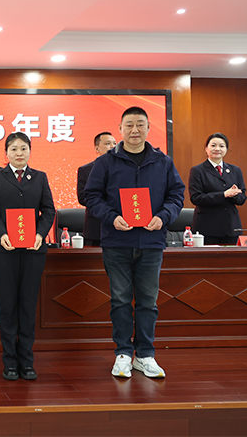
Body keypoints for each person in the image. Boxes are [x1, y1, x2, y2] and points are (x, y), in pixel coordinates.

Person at [85, 106, 184, 379]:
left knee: (148, 302)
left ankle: (145, 355)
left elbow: (177, 195)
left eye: (140, 124)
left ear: (149, 128)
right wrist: (111, 217)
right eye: (129, 125)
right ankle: (122, 353)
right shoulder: (106, 162)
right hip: (117, 241)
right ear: (120, 129)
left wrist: (163, 217)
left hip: (151, 241)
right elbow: (92, 196)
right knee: (119, 300)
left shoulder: (163, 162)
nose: (135, 130)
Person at [0, 132, 55, 381]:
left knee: (27, 305)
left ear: (30, 151)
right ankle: (10, 362)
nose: (19, 153)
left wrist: (40, 234)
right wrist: (1, 233)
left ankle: (27, 361)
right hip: (5, 250)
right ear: (6, 153)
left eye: (23, 148)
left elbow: (48, 210)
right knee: (7, 305)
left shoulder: (40, 177)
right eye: (14, 149)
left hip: (33, 251)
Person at [189, 133, 247, 245]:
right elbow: (196, 198)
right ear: (206, 148)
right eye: (213, 145)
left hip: (231, 227)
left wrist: (234, 194)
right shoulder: (197, 170)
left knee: (232, 256)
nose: (217, 149)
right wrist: (224, 194)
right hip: (207, 227)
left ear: (226, 149)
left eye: (221, 146)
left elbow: (242, 198)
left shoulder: (235, 170)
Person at [77, 132, 117, 246]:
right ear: (97, 148)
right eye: (108, 143)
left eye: (115, 143)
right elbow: (83, 197)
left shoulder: (123, 169)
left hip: (119, 228)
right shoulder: (86, 170)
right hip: (95, 228)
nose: (112, 146)